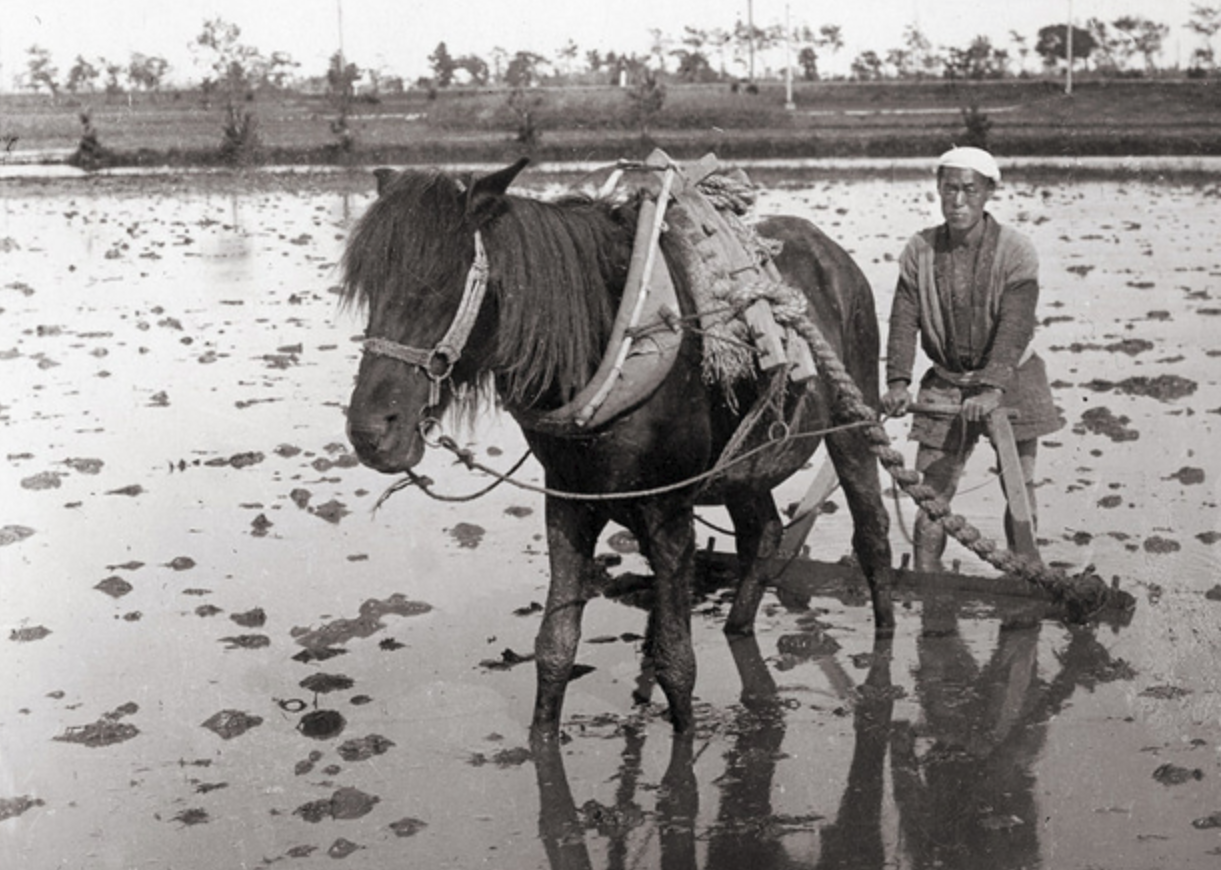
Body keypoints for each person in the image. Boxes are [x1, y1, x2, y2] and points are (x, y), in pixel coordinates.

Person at [881, 146, 1063, 571]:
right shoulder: (919, 250)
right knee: (933, 493)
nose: (958, 201)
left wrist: (992, 387)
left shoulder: (1017, 251)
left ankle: (1026, 571)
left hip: (1013, 376)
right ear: (938, 190)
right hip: (946, 379)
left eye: (968, 190)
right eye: (949, 190)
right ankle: (929, 582)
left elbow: (1015, 325)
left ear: (988, 193)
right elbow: (903, 319)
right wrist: (897, 382)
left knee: (1019, 483)